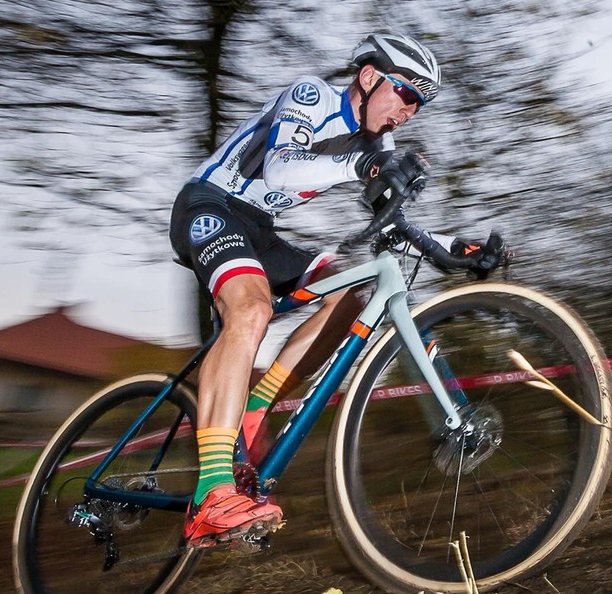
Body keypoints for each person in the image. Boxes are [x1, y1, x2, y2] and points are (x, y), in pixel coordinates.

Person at [169, 33, 500, 548]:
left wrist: (454, 248)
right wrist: (361, 165)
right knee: (251, 312)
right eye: (408, 95)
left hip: (260, 229)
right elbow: (281, 165)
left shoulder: (376, 144)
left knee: (348, 295)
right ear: (370, 78)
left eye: (422, 104)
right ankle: (213, 493)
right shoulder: (311, 98)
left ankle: (253, 410)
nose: (411, 112)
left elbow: (393, 224)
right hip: (210, 205)